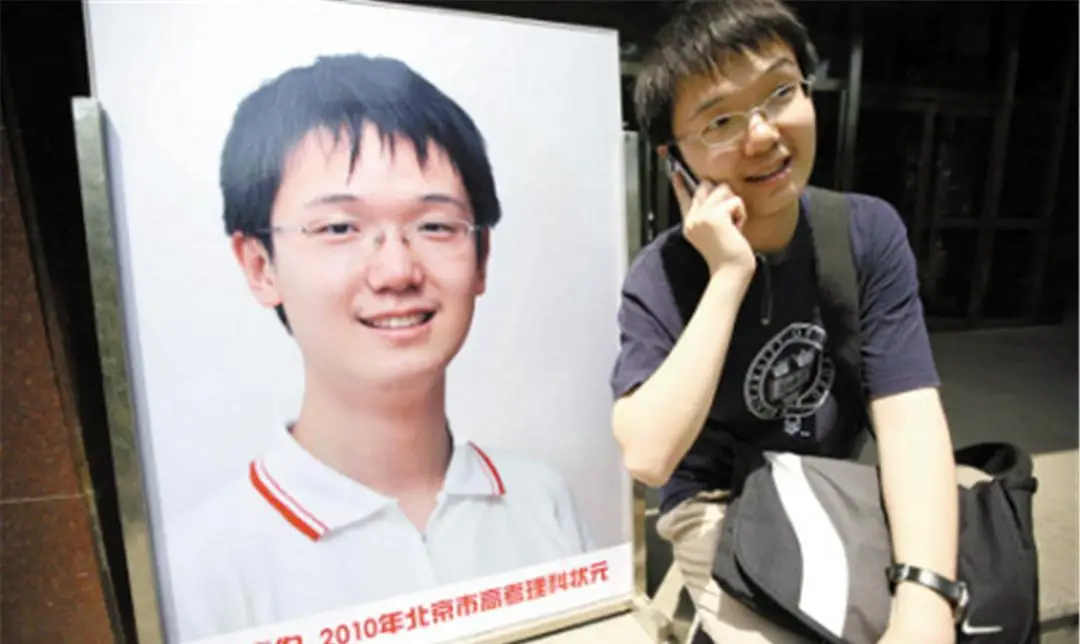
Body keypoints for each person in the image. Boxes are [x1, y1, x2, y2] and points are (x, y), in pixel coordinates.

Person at [165, 52, 593, 642]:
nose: (396, 271)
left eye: (435, 226)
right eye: (339, 227)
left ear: (482, 259)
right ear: (260, 265)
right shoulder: (198, 571)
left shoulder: (541, 499)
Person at [611, 1, 960, 642]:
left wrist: (927, 596)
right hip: (719, 505)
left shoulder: (866, 232)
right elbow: (649, 455)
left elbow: (908, 416)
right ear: (674, 159)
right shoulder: (661, 274)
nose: (763, 134)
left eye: (779, 92)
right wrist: (727, 275)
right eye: (720, 120)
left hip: (831, 490)